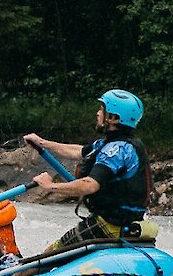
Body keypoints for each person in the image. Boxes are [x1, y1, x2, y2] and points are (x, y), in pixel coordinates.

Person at [26, 88, 152, 252]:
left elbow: (90, 185)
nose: (97, 113)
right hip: (127, 223)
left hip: (108, 226)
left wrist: (49, 186)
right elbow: (77, 151)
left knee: (46, 256)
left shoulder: (115, 150)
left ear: (113, 118)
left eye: (102, 109)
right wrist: (42, 143)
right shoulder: (120, 144)